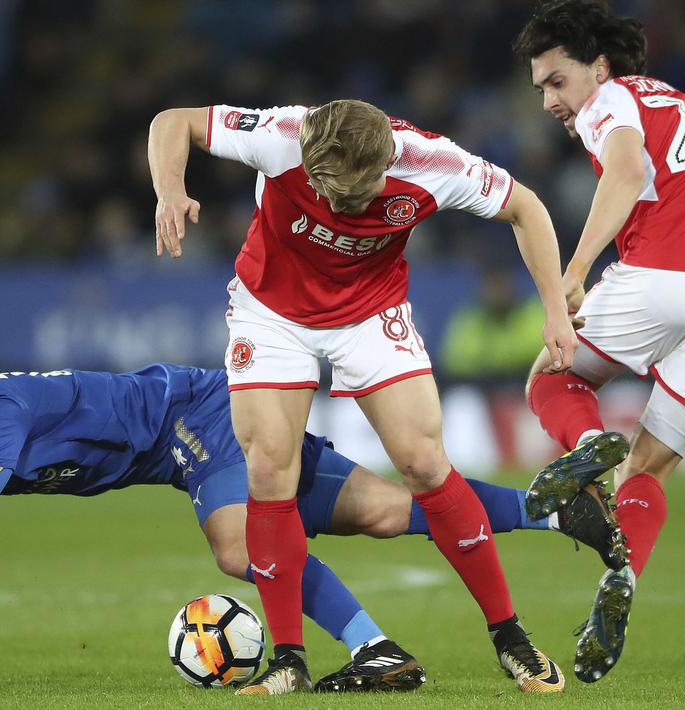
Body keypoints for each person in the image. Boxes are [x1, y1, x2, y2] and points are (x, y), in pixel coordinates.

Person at [0, 365, 624, 694]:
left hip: (197, 418)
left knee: (236, 547)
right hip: (182, 441)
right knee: (386, 514)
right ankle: (555, 510)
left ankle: (371, 649)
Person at [148, 99, 578, 694]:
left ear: (386, 163)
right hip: (271, 313)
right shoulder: (281, 135)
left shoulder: (432, 161)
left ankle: (510, 637)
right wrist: (170, 190)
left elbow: (526, 207)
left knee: (425, 462)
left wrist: (555, 310)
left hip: (368, 314)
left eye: (356, 193)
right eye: (330, 191)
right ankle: (288, 662)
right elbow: (174, 121)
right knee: (270, 467)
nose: (341, 206)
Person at [511, 0, 685, 683]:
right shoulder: (681, 106)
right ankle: (621, 576)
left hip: (667, 274)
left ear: (597, 67)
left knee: (549, 376)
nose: (548, 100)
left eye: (555, 81)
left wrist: (572, 276)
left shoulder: (612, 99)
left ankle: (583, 446)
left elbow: (626, 174)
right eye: (539, 85)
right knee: (649, 469)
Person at [440, 266, 548, 379]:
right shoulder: (469, 319)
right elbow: (456, 363)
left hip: (524, 381)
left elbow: (543, 353)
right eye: (492, 286)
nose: (497, 293)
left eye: (502, 285)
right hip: (482, 388)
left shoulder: (533, 312)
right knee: (461, 395)